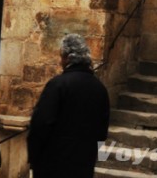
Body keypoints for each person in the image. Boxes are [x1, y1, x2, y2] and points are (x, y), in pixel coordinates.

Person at [27, 33, 110, 178]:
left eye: (61, 57)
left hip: (53, 164)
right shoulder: (100, 88)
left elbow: (41, 124)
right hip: (84, 163)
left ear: (67, 58)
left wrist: (34, 157)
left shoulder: (58, 85)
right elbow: (102, 130)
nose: (60, 61)